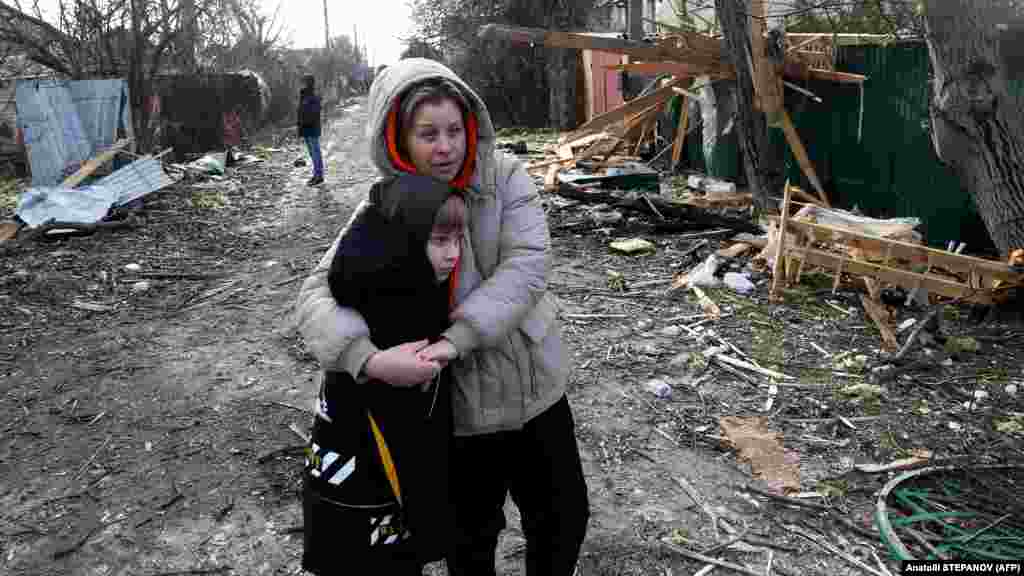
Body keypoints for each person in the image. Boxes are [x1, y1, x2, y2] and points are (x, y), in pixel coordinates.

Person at [294, 58, 590, 575]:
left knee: (563, 517)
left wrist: (456, 339)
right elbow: (317, 293)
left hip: (532, 388)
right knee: (471, 542)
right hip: (458, 415)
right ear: (398, 137)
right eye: (428, 134)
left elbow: (527, 264)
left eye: (454, 130)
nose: (446, 146)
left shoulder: (504, 177)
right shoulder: (386, 205)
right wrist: (368, 360)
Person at [301, 173, 463, 574]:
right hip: (362, 481)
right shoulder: (384, 312)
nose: (454, 255)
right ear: (404, 241)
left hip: (382, 489)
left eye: (459, 240)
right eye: (440, 241)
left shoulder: (413, 289)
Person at [297, 74, 324, 186]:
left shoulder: (313, 96)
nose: (301, 84)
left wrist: (304, 122)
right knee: (312, 153)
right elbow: (301, 112)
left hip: (312, 128)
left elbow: (314, 113)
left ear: (308, 83)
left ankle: (319, 176)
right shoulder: (304, 95)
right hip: (306, 128)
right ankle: (316, 175)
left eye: (303, 82)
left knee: (315, 152)